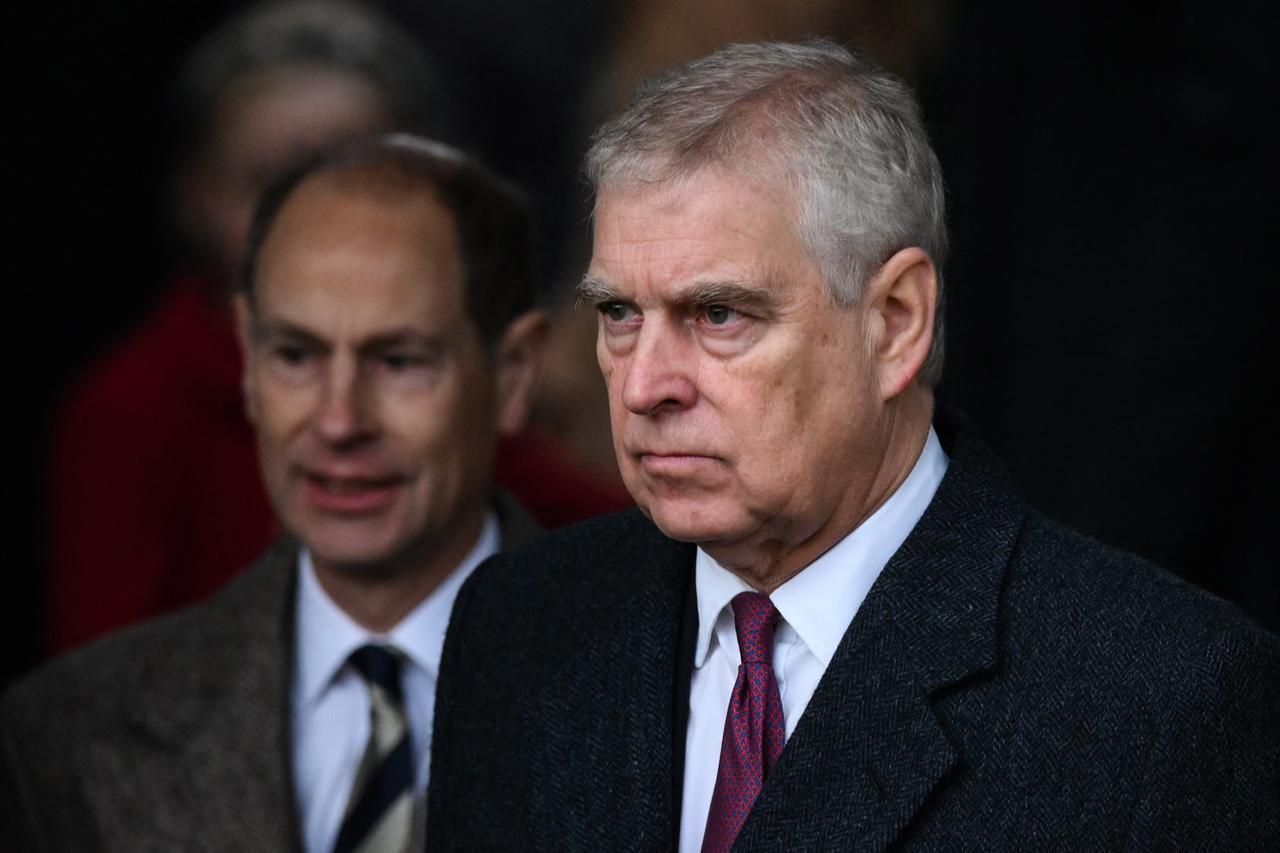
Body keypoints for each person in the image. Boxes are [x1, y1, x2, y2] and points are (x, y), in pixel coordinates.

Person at [426, 40, 1280, 851]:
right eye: (619, 314)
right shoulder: (517, 629)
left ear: (895, 322)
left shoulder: (1160, 699)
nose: (645, 385)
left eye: (718, 314)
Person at [3, 136, 549, 851]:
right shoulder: (67, 731)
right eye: (295, 354)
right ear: (247, 359)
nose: (339, 420)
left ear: (511, 374)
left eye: (399, 361)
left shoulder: (676, 700)